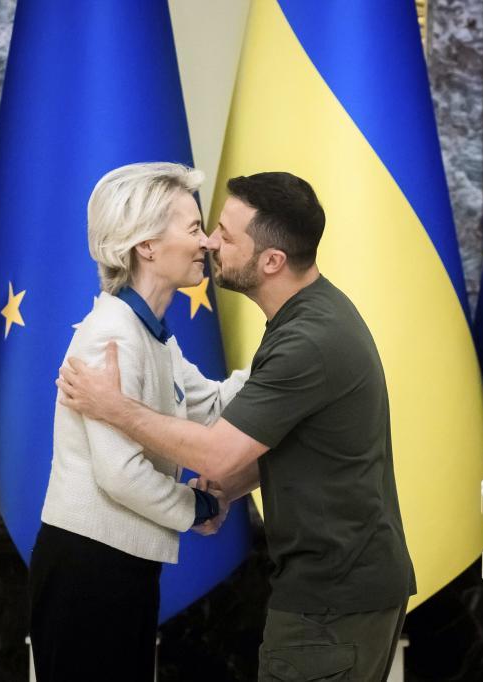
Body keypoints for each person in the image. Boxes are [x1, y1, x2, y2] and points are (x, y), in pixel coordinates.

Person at [58, 171, 416, 682]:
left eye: (224, 232)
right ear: (146, 247)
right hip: (337, 587)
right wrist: (220, 495)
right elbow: (287, 439)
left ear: (271, 261)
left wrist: (114, 408)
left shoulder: (307, 338)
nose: (210, 241)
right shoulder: (303, 321)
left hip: (332, 597)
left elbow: (218, 452)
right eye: (204, 227)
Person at [29, 162, 248, 682]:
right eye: (193, 229)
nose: (208, 243)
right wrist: (198, 506)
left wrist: (285, 354)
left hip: (118, 565)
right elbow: (120, 473)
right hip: (87, 570)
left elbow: (214, 406)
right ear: (146, 245)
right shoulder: (113, 336)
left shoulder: (149, 333)